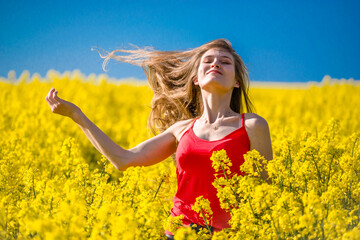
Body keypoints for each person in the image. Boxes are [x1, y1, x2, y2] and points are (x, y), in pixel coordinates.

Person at [45, 39, 272, 239]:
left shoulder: (252, 126)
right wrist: (76, 115)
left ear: (236, 82)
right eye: (208, 60)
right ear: (195, 79)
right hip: (179, 233)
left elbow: (266, 193)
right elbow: (124, 159)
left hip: (231, 235)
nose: (215, 64)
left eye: (225, 62)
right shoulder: (181, 130)